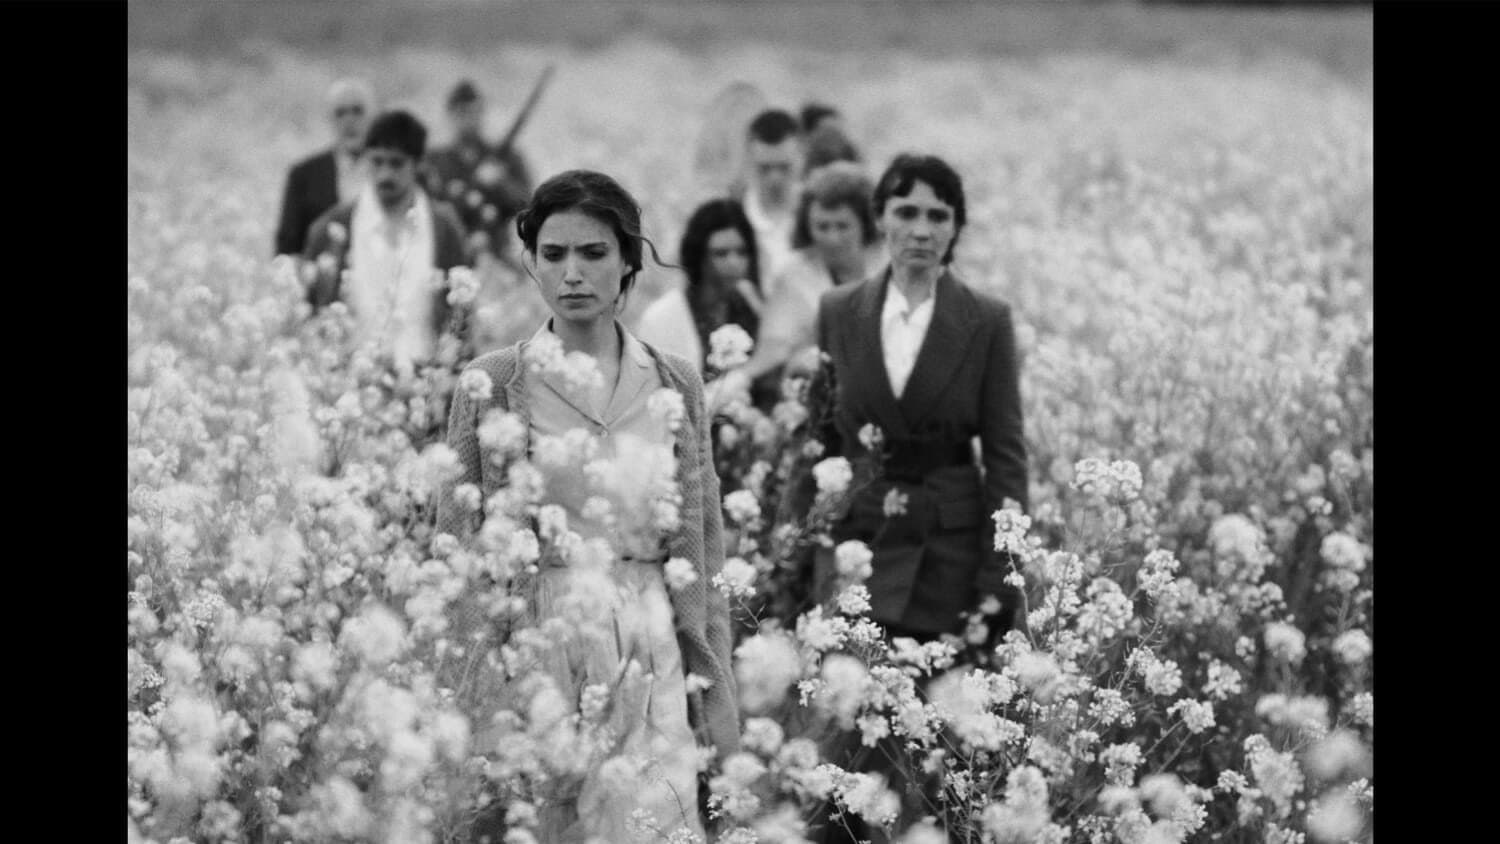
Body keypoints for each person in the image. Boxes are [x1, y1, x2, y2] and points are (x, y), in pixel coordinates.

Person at [436, 170, 739, 840]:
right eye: (554, 254)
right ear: (530, 264)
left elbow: (702, 543)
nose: (573, 273)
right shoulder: (492, 381)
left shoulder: (674, 381)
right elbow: (455, 548)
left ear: (629, 260)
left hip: (651, 636)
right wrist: (472, 690)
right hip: (539, 638)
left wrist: (714, 686)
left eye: (594, 253)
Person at [805, 153, 1031, 842]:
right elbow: (823, 441)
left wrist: (1001, 578)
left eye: (938, 215)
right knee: (850, 745)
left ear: (956, 227)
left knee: (938, 751)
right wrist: (815, 552)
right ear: (881, 219)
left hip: (950, 552)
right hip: (864, 544)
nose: (921, 229)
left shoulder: (985, 319)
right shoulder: (839, 309)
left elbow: (1005, 455)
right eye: (906, 212)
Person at [302, 110, 471, 373]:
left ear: (418, 164)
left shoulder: (443, 227)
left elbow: (462, 311)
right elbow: (311, 313)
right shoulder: (332, 227)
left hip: (427, 376)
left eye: (396, 163)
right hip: (352, 378)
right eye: (377, 162)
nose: (384, 175)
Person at [738, 162, 882, 387]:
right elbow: (774, 347)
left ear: (865, 224)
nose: (832, 239)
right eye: (822, 227)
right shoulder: (793, 275)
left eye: (843, 226)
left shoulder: (890, 264)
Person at [636, 199, 762, 372]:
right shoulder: (662, 318)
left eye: (742, 252)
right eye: (721, 254)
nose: (734, 263)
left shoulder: (749, 304)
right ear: (699, 257)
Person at [423, 79, 535, 264]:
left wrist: (501, 182)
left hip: (497, 257)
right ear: (450, 114)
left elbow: (529, 207)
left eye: (475, 112)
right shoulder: (435, 160)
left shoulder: (508, 158)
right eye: (462, 112)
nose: (469, 119)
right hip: (446, 256)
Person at [275, 78, 375, 257]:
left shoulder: (394, 169)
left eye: (357, 111)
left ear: (373, 116)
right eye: (340, 113)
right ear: (329, 119)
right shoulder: (303, 175)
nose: (349, 120)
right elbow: (287, 248)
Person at [733, 109, 803, 291]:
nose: (775, 179)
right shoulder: (730, 219)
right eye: (764, 169)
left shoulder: (819, 216)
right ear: (748, 159)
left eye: (784, 167)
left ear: (801, 157)